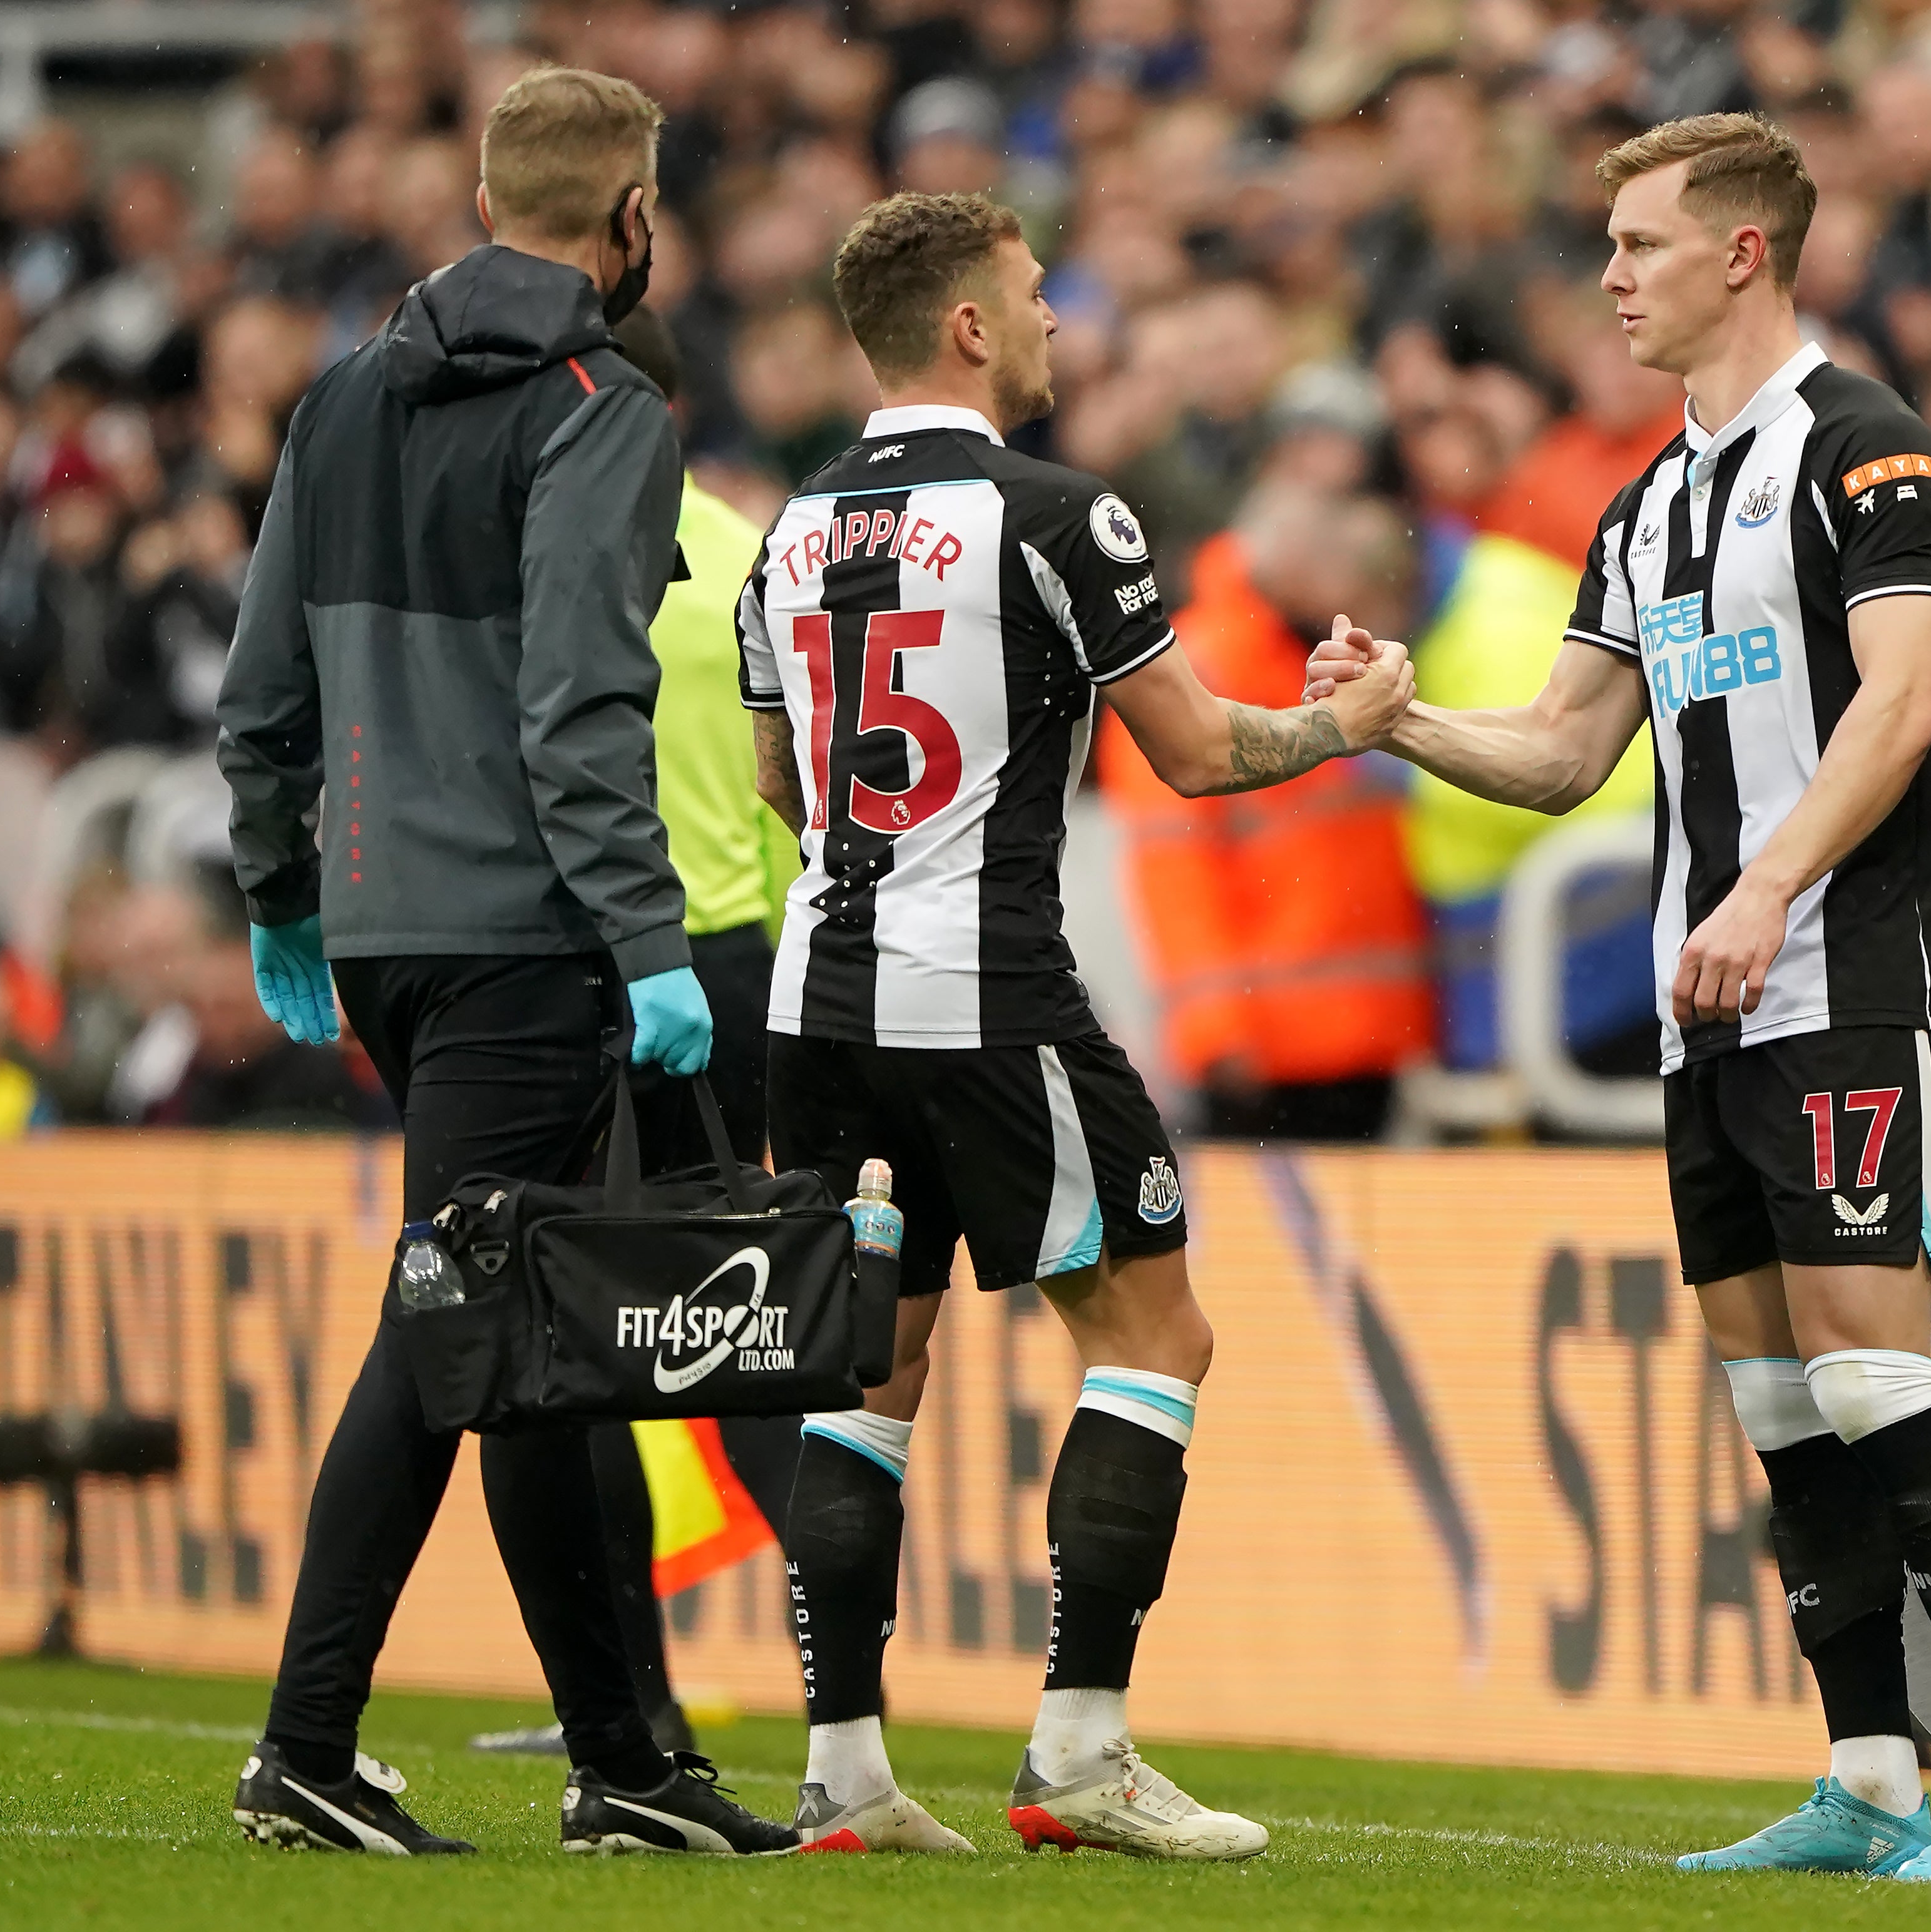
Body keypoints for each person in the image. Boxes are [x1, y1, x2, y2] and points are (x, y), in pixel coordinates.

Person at [1310, 112, 1931, 1882]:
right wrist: (1405, 718)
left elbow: (1904, 702)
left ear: (1742, 250)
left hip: (1854, 975)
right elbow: (1571, 749)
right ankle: (1872, 1769)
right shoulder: (1646, 501)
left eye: (1640, 242)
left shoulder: (1868, 454)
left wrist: (1764, 879)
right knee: (1778, 1404)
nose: (1608, 275)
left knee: (1877, 1369)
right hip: (1709, 1005)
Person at [737, 189, 1413, 1858]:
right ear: (968, 324)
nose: (1054, 325)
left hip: (814, 1003)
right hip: (989, 994)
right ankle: (1078, 1745)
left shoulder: (790, 524)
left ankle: (844, 1770)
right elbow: (1193, 753)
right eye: (1033, 298)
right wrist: (1341, 723)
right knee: (1152, 1339)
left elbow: (782, 780)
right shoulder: (1058, 515)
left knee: (865, 1373)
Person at [215, 66, 793, 1857]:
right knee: (455, 1314)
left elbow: (260, 690)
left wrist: (281, 888)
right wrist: (647, 936)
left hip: (388, 925)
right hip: (530, 941)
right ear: (633, 220)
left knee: (525, 1330)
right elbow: (575, 703)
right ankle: (305, 1740)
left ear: (482, 199)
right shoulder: (598, 407)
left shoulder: (341, 397)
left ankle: (625, 1754)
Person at [466, 304, 806, 1764]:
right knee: (745, 1335)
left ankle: (631, 1705)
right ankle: (844, 1682)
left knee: (588, 1347)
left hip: (614, 968)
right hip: (747, 966)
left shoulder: (578, 555)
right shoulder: (756, 551)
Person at [1096, 485, 1433, 1140]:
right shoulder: (1201, 669)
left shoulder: (1303, 653)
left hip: (1359, 1036)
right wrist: (1216, 1032)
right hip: (1272, 1053)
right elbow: (1175, 868)